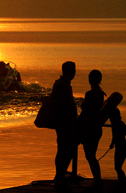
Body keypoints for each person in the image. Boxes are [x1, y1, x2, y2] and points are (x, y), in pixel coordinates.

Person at [50, 61, 78, 191]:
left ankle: (59, 176)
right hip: (65, 122)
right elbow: (66, 105)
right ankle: (60, 177)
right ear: (72, 72)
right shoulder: (64, 85)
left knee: (62, 150)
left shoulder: (60, 84)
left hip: (60, 122)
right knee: (68, 150)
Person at [77, 69, 106, 190]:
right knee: (91, 156)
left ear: (90, 80)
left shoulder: (90, 94)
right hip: (96, 128)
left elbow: (86, 109)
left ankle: (98, 182)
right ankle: (97, 181)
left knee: (90, 156)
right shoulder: (101, 94)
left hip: (89, 128)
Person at [109, 108, 126, 188]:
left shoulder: (120, 124)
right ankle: (121, 183)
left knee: (118, 167)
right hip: (119, 148)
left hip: (123, 148)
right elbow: (114, 136)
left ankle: (123, 183)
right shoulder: (114, 124)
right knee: (117, 167)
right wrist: (112, 143)